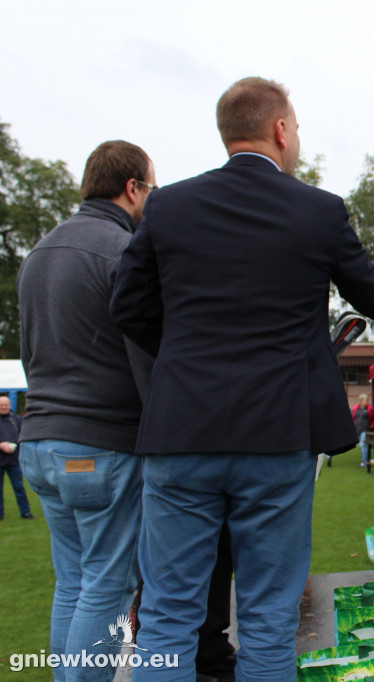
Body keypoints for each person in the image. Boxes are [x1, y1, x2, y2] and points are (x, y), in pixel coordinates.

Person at [109, 77, 374, 680]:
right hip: (277, 434)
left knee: (166, 617)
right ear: (280, 130)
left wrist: (187, 356)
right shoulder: (317, 210)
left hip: (181, 431)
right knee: (269, 618)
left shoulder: (168, 206)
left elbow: (127, 308)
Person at [17, 140, 156, 681]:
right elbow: (142, 353)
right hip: (99, 445)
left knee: (73, 580)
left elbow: (33, 352)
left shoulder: (39, 253)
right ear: (131, 188)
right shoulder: (120, 251)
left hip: (40, 442)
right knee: (107, 582)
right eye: (151, 187)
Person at [0, 395, 33, 520]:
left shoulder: (17, 419)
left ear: (10, 405)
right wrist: (1, 445)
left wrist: (12, 444)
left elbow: (23, 434)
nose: (3, 407)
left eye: (6, 405)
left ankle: (25, 512)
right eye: (1, 405)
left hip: (14, 460)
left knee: (19, 487)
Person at [352, 393, 372, 467]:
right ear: (360, 401)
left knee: (363, 444)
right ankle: (365, 459)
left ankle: (365, 462)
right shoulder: (356, 408)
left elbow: (372, 418)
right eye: (365, 401)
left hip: (365, 429)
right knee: (361, 445)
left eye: (367, 400)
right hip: (357, 429)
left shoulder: (369, 409)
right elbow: (353, 417)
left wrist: (372, 425)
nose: (366, 402)